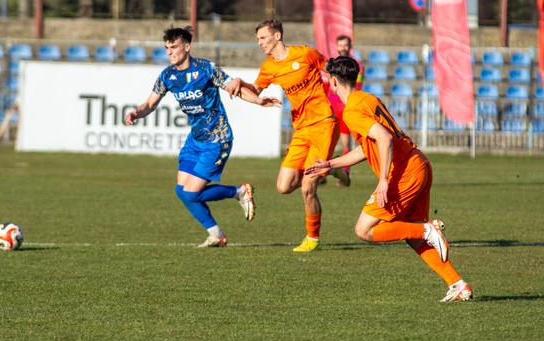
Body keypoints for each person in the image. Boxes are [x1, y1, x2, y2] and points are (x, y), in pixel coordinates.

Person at [305, 56, 472, 302]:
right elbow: (368, 146)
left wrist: (383, 180)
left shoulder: (351, 111)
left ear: (332, 81)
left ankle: (429, 229)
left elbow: (383, 138)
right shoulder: (367, 98)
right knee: (411, 236)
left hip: (403, 174)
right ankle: (458, 284)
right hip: (420, 165)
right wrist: (332, 163)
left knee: (364, 230)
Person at [125, 26, 281, 248]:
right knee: (182, 191)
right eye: (167, 48)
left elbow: (232, 87)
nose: (170, 52)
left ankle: (238, 192)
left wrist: (258, 100)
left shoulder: (206, 68)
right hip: (195, 140)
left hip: (217, 139)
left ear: (187, 47)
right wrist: (136, 113)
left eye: (174, 47)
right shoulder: (167, 76)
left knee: (191, 192)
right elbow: (150, 104)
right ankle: (216, 235)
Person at [243, 19, 350, 253]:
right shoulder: (269, 67)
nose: (260, 42)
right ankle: (332, 168)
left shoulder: (306, 53)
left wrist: (348, 100)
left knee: (307, 187)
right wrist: (236, 84)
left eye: (263, 37)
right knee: (283, 187)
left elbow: (333, 71)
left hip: (323, 123)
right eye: (258, 39)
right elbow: (254, 91)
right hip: (301, 130)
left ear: (277, 36)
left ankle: (313, 238)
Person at [325, 35, 365, 186]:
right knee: (326, 142)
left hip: (346, 108)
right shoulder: (332, 66)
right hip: (331, 108)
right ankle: (322, 174)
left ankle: (345, 173)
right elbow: (327, 87)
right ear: (337, 46)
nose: (343, 48)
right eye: (340, 45)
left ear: (350, 46)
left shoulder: (357, 65)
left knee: (345, 143)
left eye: (346, 45)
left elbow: (357, 87)